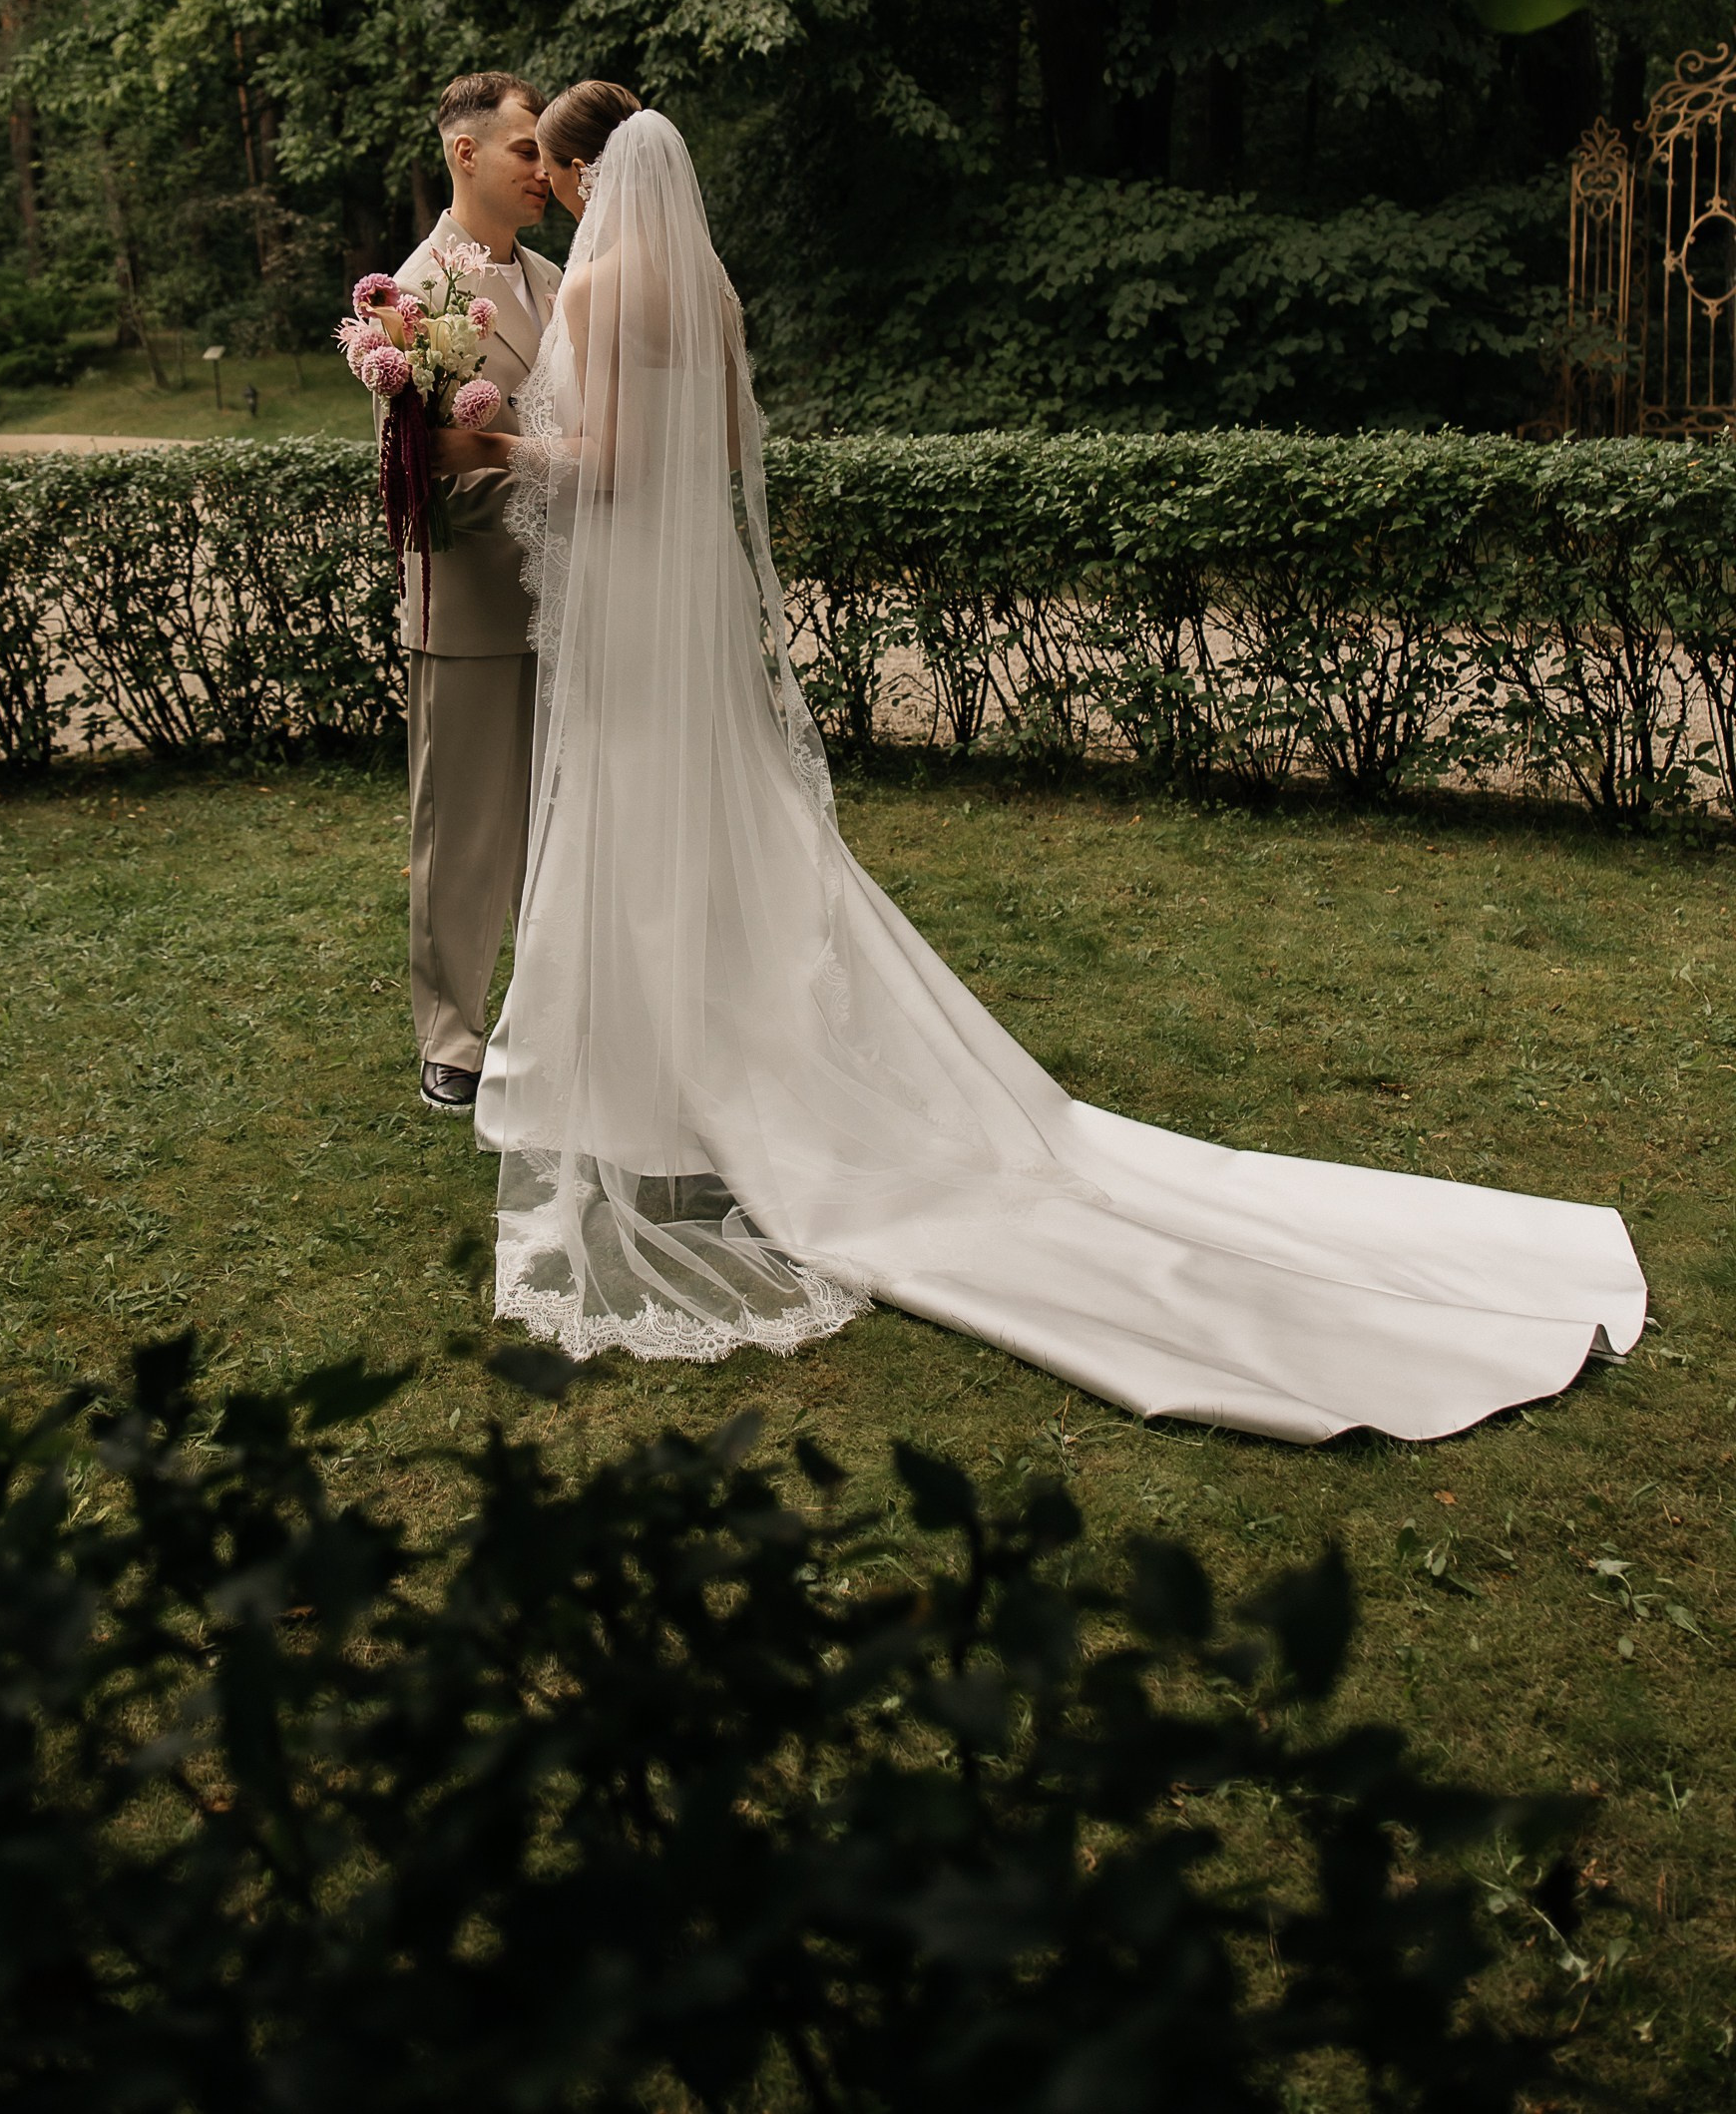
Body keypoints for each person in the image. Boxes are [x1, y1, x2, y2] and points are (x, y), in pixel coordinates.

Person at [434, 99, 1646, 1444]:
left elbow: (601, 468)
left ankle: (654, 1089)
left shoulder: (596, 285)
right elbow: (716, 455)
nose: (545, 178)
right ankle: (713, 1069)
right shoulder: (708, 285)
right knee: (725, 826)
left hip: (631, 609)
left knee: (631, 818)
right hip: (699, 606)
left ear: (591, 170)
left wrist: (491, 447)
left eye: (555, 159)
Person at [391, 71, 561, 1111]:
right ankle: (448, 1036)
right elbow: (418, 474)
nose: (542, 170)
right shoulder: (408, 297)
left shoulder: (553, 277)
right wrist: (565, 472)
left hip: (575, 596)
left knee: (561, 822)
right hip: (471, 603)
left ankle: (550, 1014)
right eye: (524, 151)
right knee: (462, 833)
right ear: (464, 152)